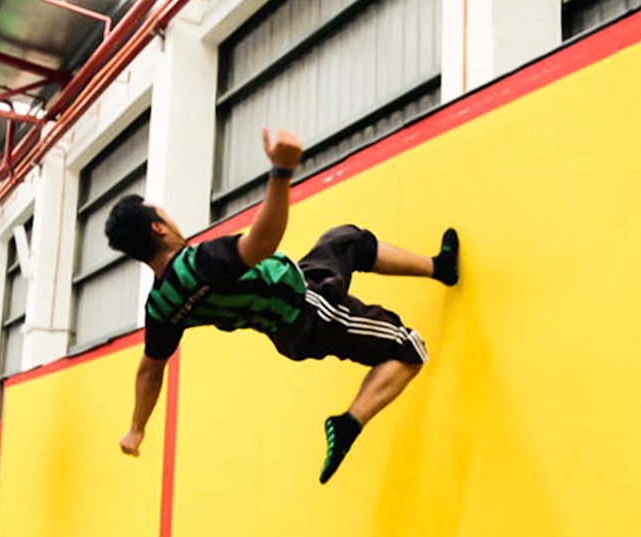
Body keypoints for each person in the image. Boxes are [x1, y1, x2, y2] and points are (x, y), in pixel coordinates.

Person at [105, 128, 459, 483]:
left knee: (345, 240)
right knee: (408, 348)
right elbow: (264, 240)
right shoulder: (199, 262)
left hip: (293, 310)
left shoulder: (161, 305)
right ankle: (349, 423)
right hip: (311, 310)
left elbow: (149, 371)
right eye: (165, 215)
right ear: (158, 229)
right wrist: (281, 172)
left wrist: (137, 428)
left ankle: (439, 267)